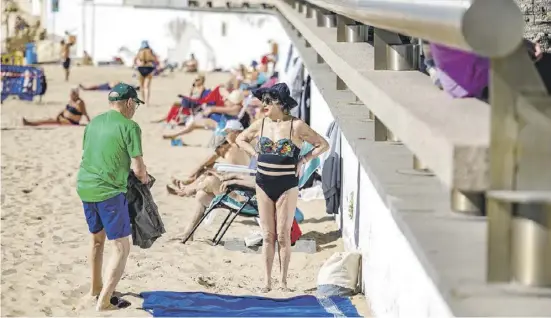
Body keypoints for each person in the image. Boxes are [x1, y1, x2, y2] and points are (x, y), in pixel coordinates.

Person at [235, 83, 329, 292]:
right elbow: (240, 139)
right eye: (263, 100)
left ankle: (284, 282)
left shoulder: (296, 126)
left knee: (283, 234)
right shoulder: (260, 124)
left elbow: (323, 144)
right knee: (268, 235)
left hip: (287, 185)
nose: (264, 104)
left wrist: (303, 159)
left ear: (282, 103)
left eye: (269, 100)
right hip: (263, 184)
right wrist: (254, 153)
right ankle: (267, 282)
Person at [76, 83, 148, 311]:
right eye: (135, 104)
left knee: (97, 241)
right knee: (121, 247)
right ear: (128, 103)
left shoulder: (93, 123)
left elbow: (90, 154)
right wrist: (144, 178)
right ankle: (104, 300)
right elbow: (138, 169)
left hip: (85, 186)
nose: (135, 108)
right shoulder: (130, 126)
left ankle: (94, 289)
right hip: (108, 191)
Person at [167, 120, 250, 197]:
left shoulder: (241, 145)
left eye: (227, 132)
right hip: (235, 175)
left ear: (236, 132)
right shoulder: (234, 145)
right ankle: (187, 186)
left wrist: (214, 171)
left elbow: (241, 168)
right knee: (209, 168)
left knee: (208, 171)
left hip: (239, 180)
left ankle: (187, 189)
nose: (226, 136)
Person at [162, 89, 244, 141]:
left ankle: (175, 135)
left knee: (194, 124)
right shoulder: (237, 105)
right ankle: (175, 135)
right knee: (194, 124)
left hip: (222, 126)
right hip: (222, 123)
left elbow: (215, 109)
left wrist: (208, 110)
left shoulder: (235, 107)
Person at [22, 87, 90, 126]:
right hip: (64, 118)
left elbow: (85, 113)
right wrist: (59, 114)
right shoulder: (71, 101)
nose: (70, 96)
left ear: (76, 95)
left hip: (71, 122)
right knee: (48, 119)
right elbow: (65, 109)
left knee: (48, 121)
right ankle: (31, 122)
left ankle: (30, 123)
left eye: (72, 94)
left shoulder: (80, 102)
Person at [134, 40, 158, 106]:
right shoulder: (150, 51)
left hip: (140, 68)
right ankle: (147, 102)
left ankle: (143, 100)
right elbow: (156, 60)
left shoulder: (139, 51)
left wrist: (137, 64)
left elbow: (134, 60)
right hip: (149, 68)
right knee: (147, 87)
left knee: (141, 87)